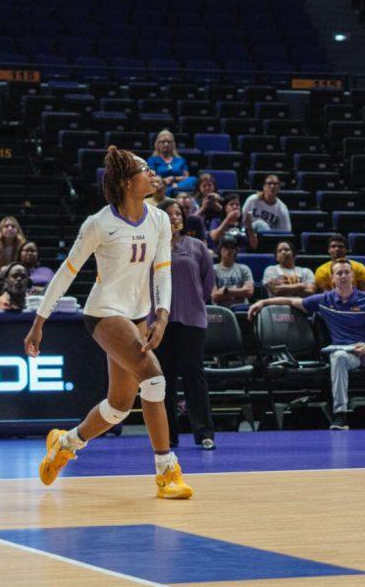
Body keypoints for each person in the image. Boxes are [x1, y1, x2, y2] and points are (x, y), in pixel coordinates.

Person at [25, 146, 191, 499]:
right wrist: (40, 321)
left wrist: (162, 315)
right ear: (128, 182)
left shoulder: (159, 219)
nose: (152, 173)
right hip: (103, 313)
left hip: (138, 314)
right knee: (155, 379)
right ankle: (167, 471)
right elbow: (67, 272)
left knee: (117, 407)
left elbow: (162, 272)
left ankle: (64, 444)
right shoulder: (99, 224)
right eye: (145, 169)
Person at [247, 258, 365, 430]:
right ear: (332, 278)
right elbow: (291, 301)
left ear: (352, 276)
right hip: (346, 353)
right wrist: (263, 302)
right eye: (339, 273)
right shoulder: (324, 300)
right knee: (338, 357)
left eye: (346, 272)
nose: (343, 276)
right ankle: (340, 415)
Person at [155, 199, 216, 450]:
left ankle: (204, 433)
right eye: (169, 214)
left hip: (191, 321)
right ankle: (168, 436)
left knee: (194, 376)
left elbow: (208, 283)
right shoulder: (152, 249)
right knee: (164, 380)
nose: (174, 218)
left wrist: (191, 302)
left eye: (178, 214)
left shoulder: (197, 247)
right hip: (160, 322)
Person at [147, 129, 197, 196]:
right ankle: (169, 191)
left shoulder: (180, 160)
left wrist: (173, 179)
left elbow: (186, 177)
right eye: (163, 142)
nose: (166, 144)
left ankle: (171, 190)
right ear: (157, 144)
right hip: (160, 186)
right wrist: (164, 181)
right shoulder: (152, 160)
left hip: (177, 185)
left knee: (194, 179)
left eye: (169, 142)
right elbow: (151, 176)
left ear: (173, 144)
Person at [211, 236, 254, 308]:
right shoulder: (212, 269)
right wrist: (240, 293)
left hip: (241, 308)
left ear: (236, 251)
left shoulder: (244, 269)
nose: (229, 250)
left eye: (232, 247)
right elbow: (215, 296)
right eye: (226, 247)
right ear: (219, 250)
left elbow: (249, 292)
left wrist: (226, 291)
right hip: (221, 310)